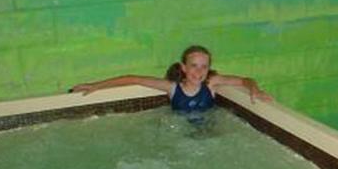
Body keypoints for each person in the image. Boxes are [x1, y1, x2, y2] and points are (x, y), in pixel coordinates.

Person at [70, 45, 271, 113]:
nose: (199, 71)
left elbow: (245, 80)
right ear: (183, 68)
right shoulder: (172, 88)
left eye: (204, 66)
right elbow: (134, 78)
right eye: (194, 65)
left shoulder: (212, 84)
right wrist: (96, 86)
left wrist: (255, 89)